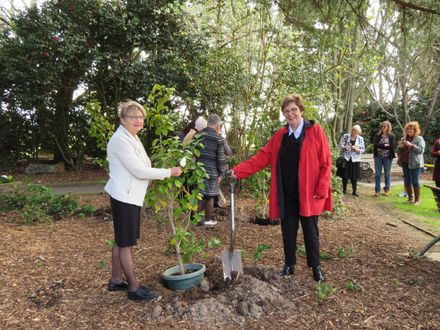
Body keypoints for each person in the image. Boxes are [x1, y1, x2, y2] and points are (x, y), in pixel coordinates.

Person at [231, 94, 332, 282]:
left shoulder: (315, 131)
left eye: (294, 109)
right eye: (287, 111)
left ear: (301, 111)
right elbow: (260, 158)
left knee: (311, 231)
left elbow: (326, 162)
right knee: (288, 230)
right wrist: (236, 171)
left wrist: (322, 188)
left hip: (309, 194)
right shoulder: (280, 136)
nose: (290, 113)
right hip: (287, 194)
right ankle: (289, 265)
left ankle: (316, 267)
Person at [105, 100, 182, 301]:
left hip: (129, 195)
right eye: (133, 117)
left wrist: (155, 176)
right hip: (125, 197)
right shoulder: (120, 140)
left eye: (141, 117)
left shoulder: (131, 137)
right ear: (122, 119)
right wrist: (168, 172)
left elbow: (144, 164)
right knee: (125, 244)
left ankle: (115, 279)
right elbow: (138, 170)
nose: (138, 120)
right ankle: (133, 288)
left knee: (121, 240)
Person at [196, 114, 226, 226]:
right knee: (209, 196)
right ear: (218, 125)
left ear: (208, 123)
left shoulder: (199, 135)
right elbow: (221, 158)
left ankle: (197, 220)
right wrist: (221, 173)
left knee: (200, 195)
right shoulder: (219, 138)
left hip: (198, 171)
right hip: (212, 172)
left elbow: (192, 151)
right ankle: (207, 221)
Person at [397, 121, 425, 205]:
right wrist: (400, 147)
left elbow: (421, 151)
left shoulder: (419, 139)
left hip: (415, 163)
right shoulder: (403, 139)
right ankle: (410, 198)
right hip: (405, 162)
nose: (409, 130)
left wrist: (411, 145)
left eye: (411, 129)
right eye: (408, 129)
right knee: (407, 181)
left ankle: (417, 200)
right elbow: (398, 152)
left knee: (415, 181)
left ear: (415, 130)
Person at [337, 125, 365, 196]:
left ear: (358, 132)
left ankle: (354, 191)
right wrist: (346, 147)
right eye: (353, 130)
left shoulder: (360, 139)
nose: (354, 132)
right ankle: (344, 190)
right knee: (345, 175)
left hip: (355, 159)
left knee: (354, 176)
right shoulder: (346, 136)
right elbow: (340, 145)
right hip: (346, 158)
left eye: (355, 131)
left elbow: (363, 149)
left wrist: (357, 149)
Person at [373, 120, 396, 196]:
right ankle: (377, 190)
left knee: (387, 174)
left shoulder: (391, 136)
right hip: (378, 157)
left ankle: (386, 190)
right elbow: (375, 145)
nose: (383, 127)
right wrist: (385, 145)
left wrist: (382, 146)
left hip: (388, 157)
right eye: (382, 126)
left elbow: (392, 146)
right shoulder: (377, 135)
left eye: (385, 126)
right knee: (377, 174)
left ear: (388, 127)